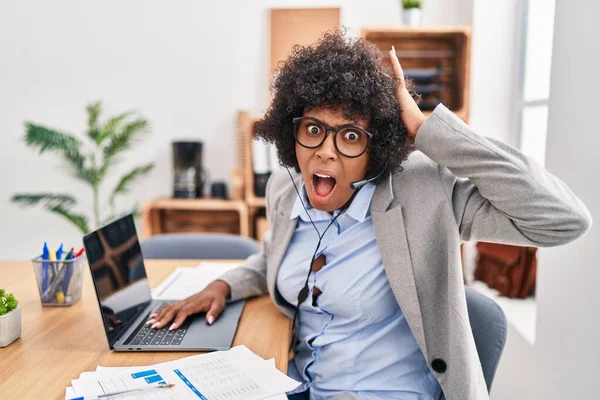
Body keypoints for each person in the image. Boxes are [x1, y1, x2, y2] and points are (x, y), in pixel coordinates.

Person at [147, 31, 592, 400]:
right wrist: (223, 284)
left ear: (376, 149)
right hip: (299, 385)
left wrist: (426, 129)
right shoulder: (287, 186)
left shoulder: (422, 193)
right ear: (292, 131)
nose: (325, 149)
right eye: (314, 129)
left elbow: (562, 219)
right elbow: (275, 259)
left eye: (351, 136)